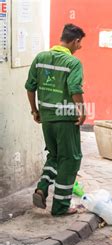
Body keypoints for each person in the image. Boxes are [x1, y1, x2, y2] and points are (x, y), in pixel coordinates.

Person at [25, 23, 86, 216]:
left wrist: (35, 110)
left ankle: (42, 187)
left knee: (54, 155)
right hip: (66, 119)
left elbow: (30, 86)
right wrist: (82, 110)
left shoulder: (41, 58)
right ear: (75, 41)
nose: (80, 47)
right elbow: (75, 88)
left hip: (47, 118)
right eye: (80, 43)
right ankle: (60, 206)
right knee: (70, 159)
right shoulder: (73, 63)